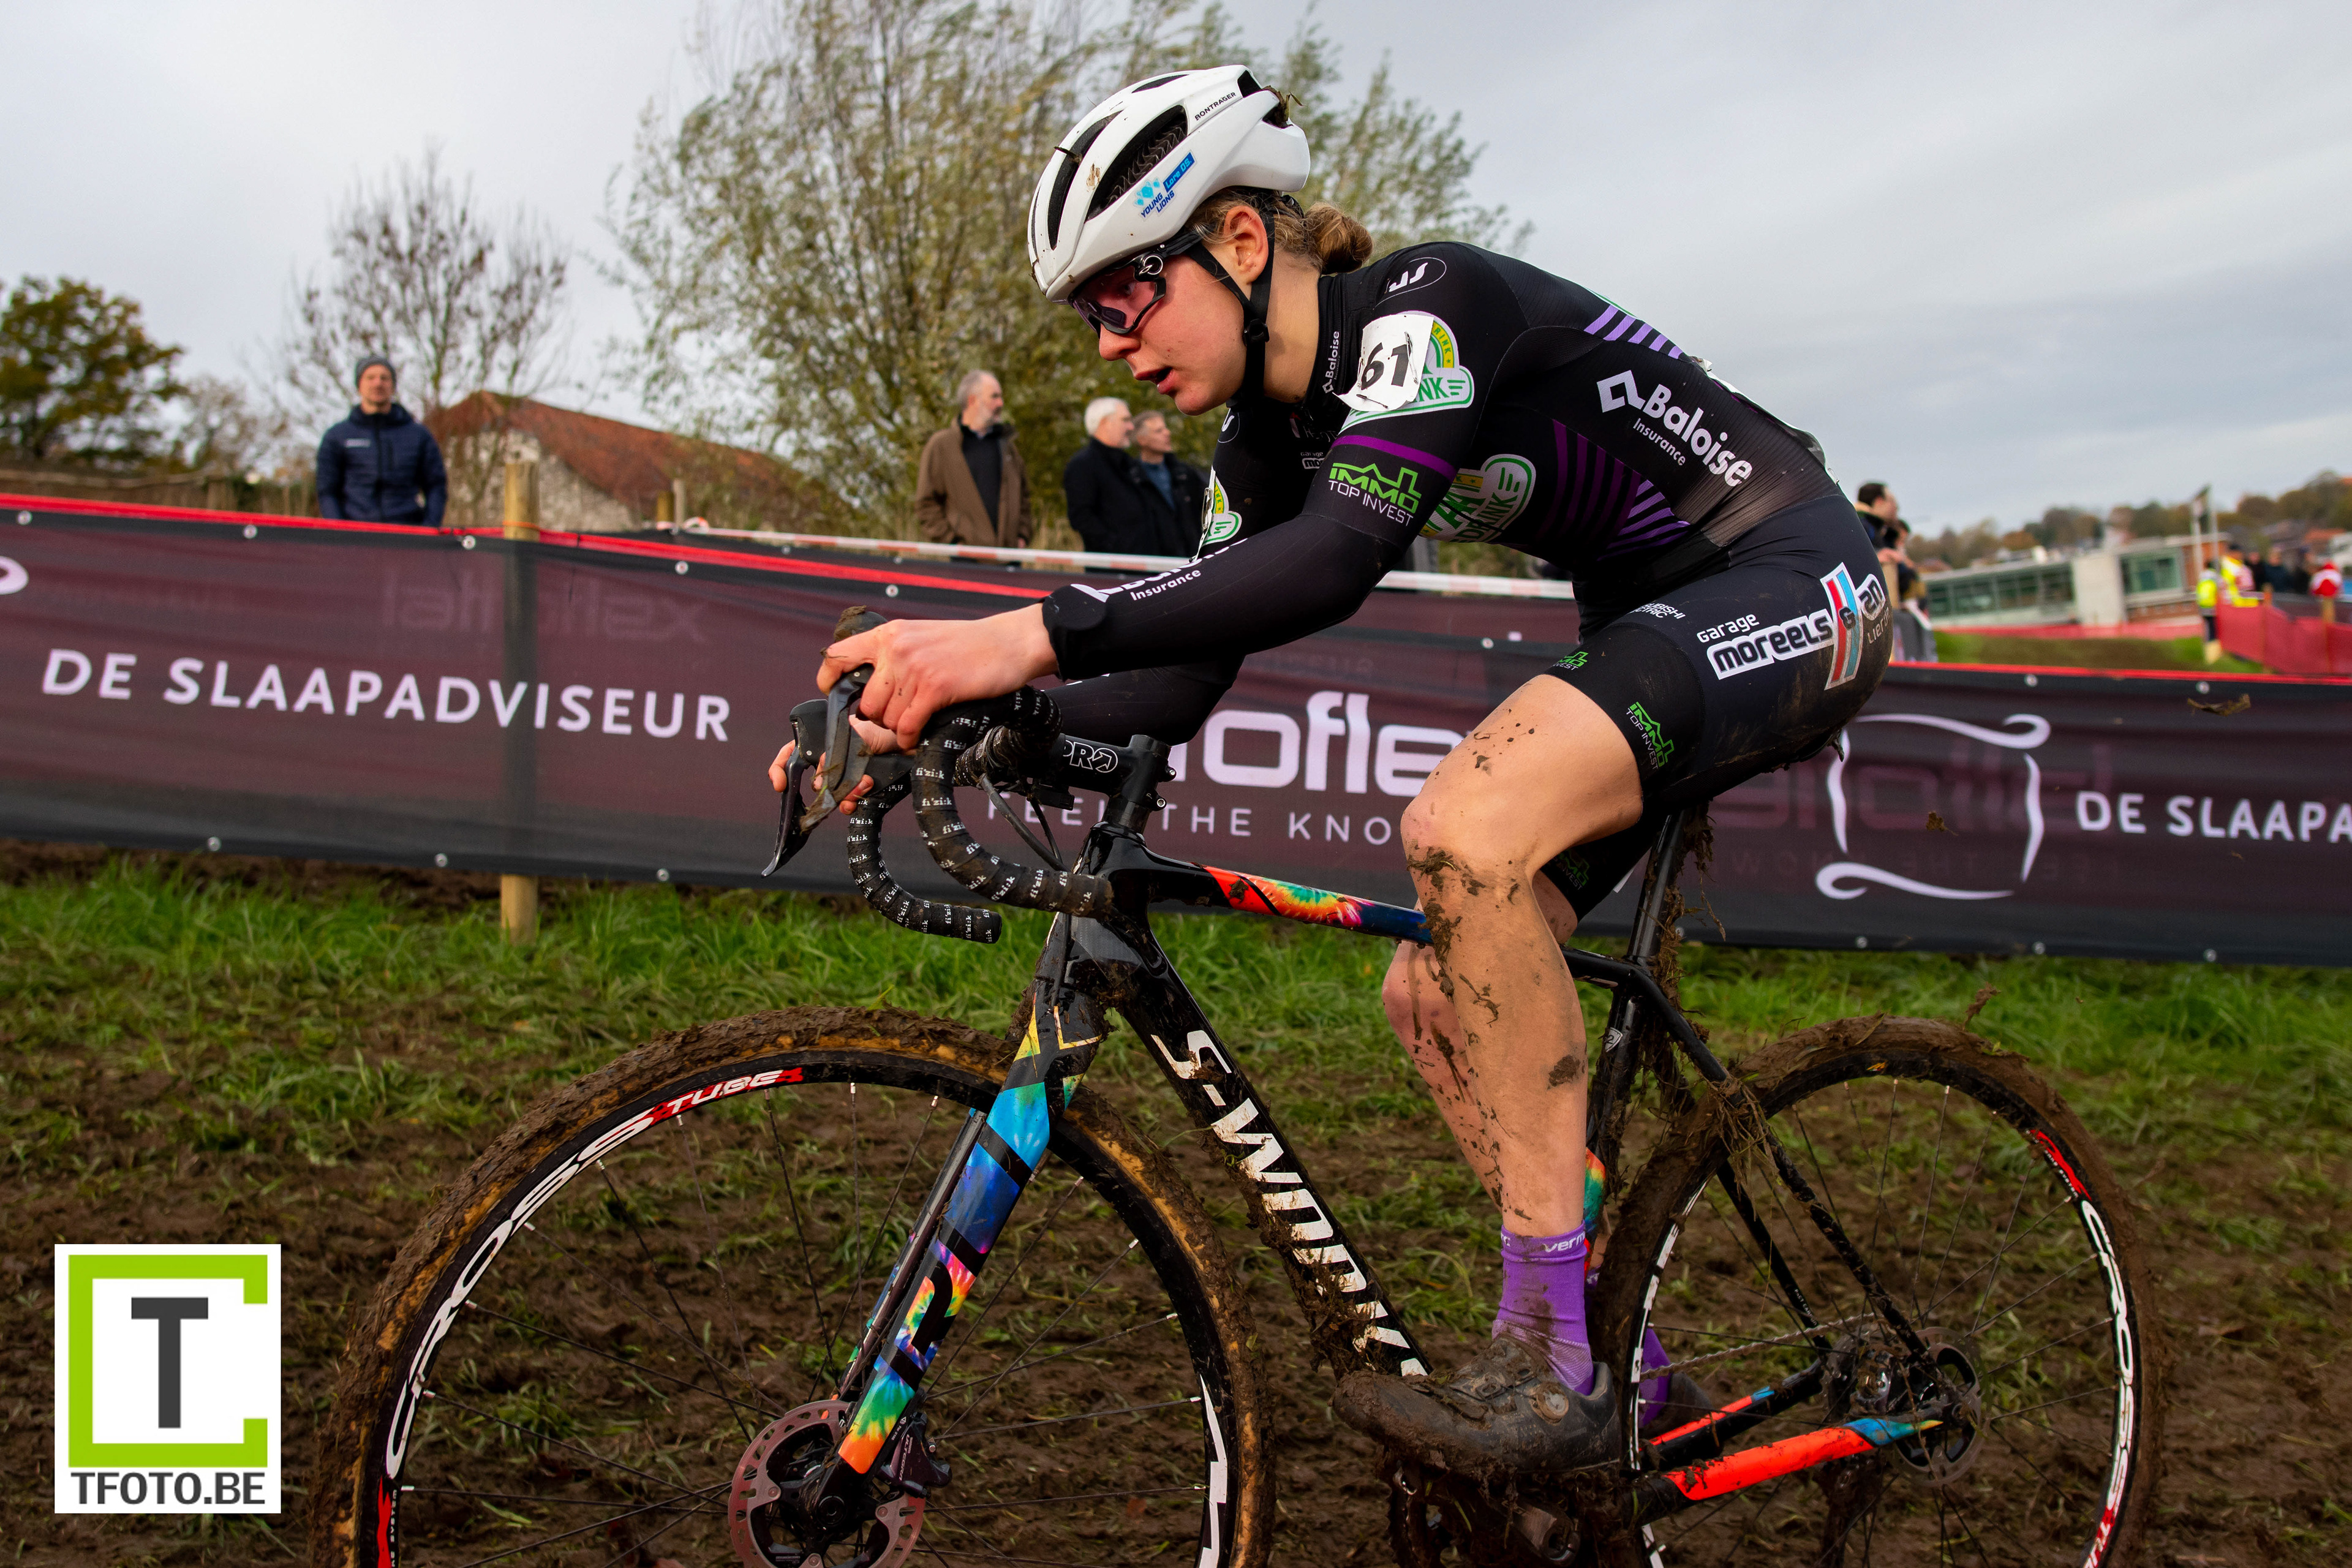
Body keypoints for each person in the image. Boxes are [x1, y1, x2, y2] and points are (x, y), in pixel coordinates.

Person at [774, 64, 1890, 1480]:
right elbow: (1170, 690)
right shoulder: (1262, 439)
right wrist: (973, 719)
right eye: (1088, 315)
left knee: (1462, 829)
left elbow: (1337, 556)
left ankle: (1549, 1358)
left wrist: (1019, 632)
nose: (1111, 341)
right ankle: (1632, 1374)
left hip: (1792, 579)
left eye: (1125, 292)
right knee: (1431, 987)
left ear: (1240, 239)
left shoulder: (1427, 306)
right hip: (1652, 622)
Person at [315, 354, 447, 527]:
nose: (378, 383)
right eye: (371, 378)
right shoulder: (337, 436)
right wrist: (339, 531)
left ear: (393, 386)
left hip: (407, 532)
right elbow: (327, 491)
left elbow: (436, 486)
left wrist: (428, 530)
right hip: (355, 532)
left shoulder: (419, 436)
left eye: (384, 378)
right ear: (359, 385)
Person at [915, 371, 1031, 548]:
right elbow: (926, 503)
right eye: (994, 397)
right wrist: (952, 542)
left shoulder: (1008, 449)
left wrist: (1022, 536)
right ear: (972, 400)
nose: (1001, 403)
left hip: (1009, 558)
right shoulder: (942, 446)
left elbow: (1024, 498)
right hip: (965, 560)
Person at [1061, 397, 1158, 554]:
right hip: (1112, 565)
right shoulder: (1083, 465)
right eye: (1125, 420)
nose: (1131, 427)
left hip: (1145, 561)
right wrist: (1117, 548)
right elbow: (1081, 517)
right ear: (1105, 423)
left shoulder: (1130, 464)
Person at [1131, 409, 1207, 556]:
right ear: (1142, 440)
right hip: (1152, 561)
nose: (1167, 433)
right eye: (1159, 431)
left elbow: (1209, 503)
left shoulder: (1184, 474)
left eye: (1165, 428)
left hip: (1190, 557)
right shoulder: (1131, 479)